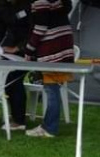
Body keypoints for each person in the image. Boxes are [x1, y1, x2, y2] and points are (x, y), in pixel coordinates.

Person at [25, 0, 74, 138]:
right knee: (53, 88)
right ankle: (48, 125)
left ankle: (50, 128)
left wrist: (29, 49)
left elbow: (41, 27)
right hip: (63, 43)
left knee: (51, 89)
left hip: (52, 46)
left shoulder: (40, 1)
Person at [0, 0, 32, 131]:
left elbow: (34, 31)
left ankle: (18, 120)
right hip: (6, 48)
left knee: (12, 78)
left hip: (28, 50)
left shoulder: (29, 4)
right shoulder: (2, 3)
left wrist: (17, 48)